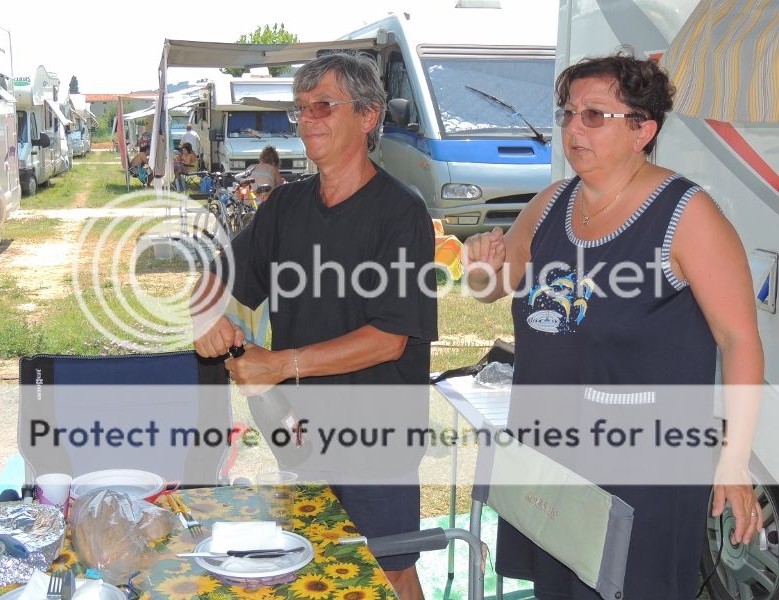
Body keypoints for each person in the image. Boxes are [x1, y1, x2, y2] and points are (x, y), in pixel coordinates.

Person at [464, 49, 763, 599]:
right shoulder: (552, 203)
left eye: (594, 115)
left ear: (643, 130)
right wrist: (482, 268)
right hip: (549, 452)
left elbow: (739, 338)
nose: (573, 128)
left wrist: (735, 460)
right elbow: (496, 287)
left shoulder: (687, 215)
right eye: (568, 113)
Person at [190, 53, 436, 599]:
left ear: (368, 116)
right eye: (300, 108)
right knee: (315, 562)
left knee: (388, 568)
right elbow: (219, 276)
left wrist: (278, 365)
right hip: (299, 430)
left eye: (323, 105)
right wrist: (205, 312)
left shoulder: (402, 212)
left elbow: (390, 338)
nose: (306, 119)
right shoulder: (285, 205)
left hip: (378, 433)